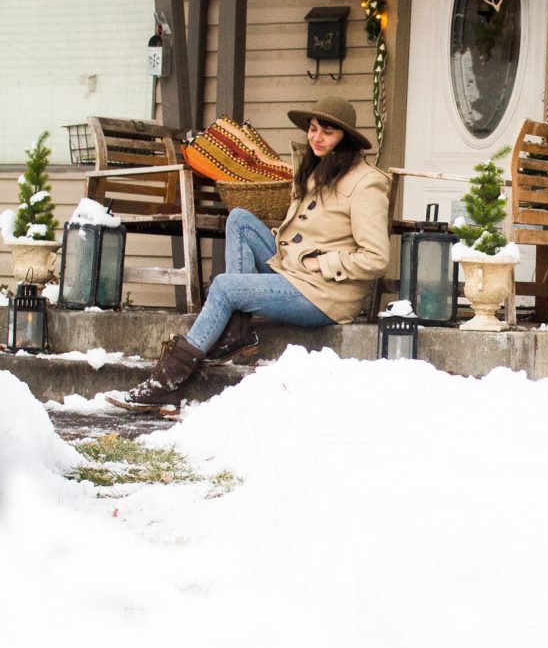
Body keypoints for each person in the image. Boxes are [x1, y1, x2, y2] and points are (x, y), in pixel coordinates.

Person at [107, 95, 390, 415]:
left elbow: (376, 258)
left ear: (346, 138)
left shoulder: (367, 183)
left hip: (324, 294)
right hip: (293, 274)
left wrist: (320, 262)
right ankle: (239, 332)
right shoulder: (317, 171)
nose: (316, 137)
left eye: (327, 131)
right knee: (240, 219)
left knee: (227, 286)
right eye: (312, 129)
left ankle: (167, 383)